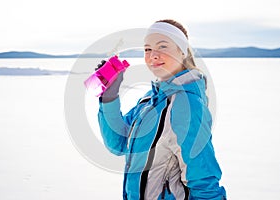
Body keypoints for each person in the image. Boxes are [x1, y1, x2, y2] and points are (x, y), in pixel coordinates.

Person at [97, 19, 227, 200]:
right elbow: (118, 144)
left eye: (163, 47)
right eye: (147, 49)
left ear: (182, 52)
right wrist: (109, 97)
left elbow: (203, 181)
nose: (153, 55)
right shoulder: (151, 99)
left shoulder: (186, 105)